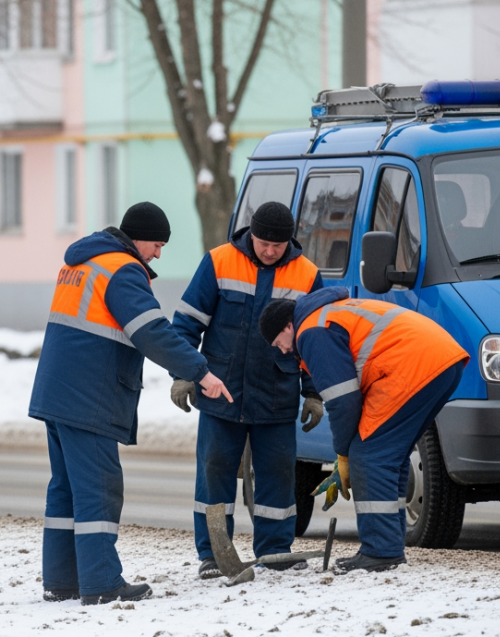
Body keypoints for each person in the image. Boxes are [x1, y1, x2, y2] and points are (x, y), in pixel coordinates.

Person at [29, 202, 232, 605]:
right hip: (89, 395)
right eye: (156, 244)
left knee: (66, 489)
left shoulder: (82, 263)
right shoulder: (122, 270)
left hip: (58, 391)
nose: (158, 254)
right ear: (138, 238)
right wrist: (200, 371)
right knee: (99, 489)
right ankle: (102, 583)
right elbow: (153, 332)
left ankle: (63, 579)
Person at [258, 287, 468, 573]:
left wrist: (344, 455)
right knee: (389, 455)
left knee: (369, 454)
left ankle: (381, 551)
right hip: (441, 359)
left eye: (278, 342)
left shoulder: (311, 331)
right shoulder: (326, 314)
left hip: (410, 365)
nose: (281, 349)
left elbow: (343, 402)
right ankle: (389, 546)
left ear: (287, 326)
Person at [169, 202, 323, 579]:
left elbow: (314, 339)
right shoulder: (219, 261)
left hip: (277, 393)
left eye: (277, 244)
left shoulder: (307, 275)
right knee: (214, 470)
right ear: (249, 234)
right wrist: (185, 373)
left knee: (278, 474)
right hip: (221, 392)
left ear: (290, 241)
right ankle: (213, 554)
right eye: (262, 243)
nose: (269, 251)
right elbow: (187, 323)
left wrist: (314, 392)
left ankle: (275, 549)